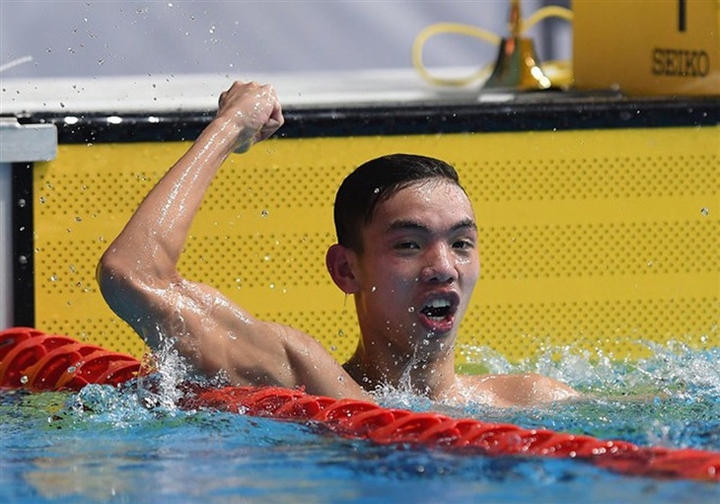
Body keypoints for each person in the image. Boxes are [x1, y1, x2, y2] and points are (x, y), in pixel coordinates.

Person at [98, 81, 577, 407]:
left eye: (461, 243)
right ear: (346, 271)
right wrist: (229, 129)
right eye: (409, 245)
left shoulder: (533, 400)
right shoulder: (306, 378)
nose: (443, 267)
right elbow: (132, 274)